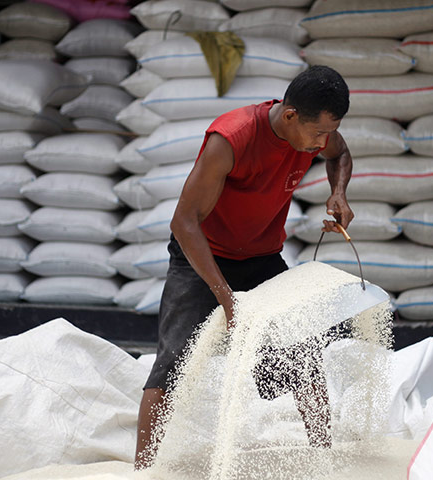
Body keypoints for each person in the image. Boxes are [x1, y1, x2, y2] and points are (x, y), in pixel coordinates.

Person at [135, 65, 354, 469]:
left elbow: (340, 154)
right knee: (172, 363)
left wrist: (338, 193)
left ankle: (325, 460)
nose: (323, 142)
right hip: (203, 256)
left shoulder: (313, 134)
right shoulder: (231, 139)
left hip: (261, 257)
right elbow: (183, 223)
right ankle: (144, 470)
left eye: (328, 132)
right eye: (318, 133)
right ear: (289, 116)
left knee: (301, 352)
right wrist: (226, 299)